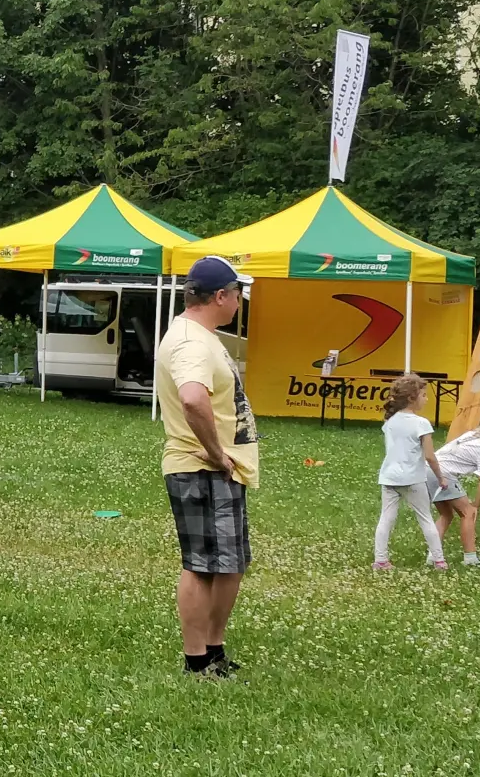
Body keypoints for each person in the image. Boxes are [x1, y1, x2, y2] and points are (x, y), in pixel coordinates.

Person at [155, 256, 258, 678]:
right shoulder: (191, 342)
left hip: (215, 471)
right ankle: (197, 660)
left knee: (227, 564)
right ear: (219, 296)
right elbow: (193, 398)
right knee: (202, 565)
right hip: (202, 469)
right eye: (237, 295)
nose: (239, 302)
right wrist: (217, 454)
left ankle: (212, 652)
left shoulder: (199, 335)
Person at [374, 375, 451, 571]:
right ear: (411, 398)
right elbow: (430, 457)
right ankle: (439, 560)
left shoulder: (390, 421)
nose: (426, 399)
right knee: (425, 517)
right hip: (412, 479)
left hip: (389, 477)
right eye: (424, 395)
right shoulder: (421, 423)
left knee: (386, 518)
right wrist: (441, 477)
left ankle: (380, 560)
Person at [433, 427, 480, 566]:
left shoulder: (473, 435)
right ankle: (470, 558)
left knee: (446, 514)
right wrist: (476, 505)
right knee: (468, 513)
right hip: (444, 474)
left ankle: (433, 556)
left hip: (429, 470)